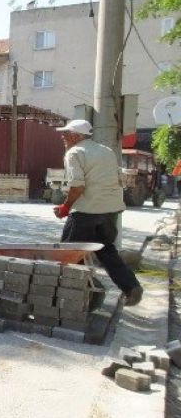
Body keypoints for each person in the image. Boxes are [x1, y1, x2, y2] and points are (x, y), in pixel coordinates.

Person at [53, 119, 143, 306]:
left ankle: (83, 294)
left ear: (76, 136)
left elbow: (77, 187)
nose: (62, 136)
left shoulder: (74, 152)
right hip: (110, 210)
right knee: (106, 250)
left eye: (66, 133)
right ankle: (131, 287)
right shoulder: (106, 151)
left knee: (70, 253)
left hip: (86, 211)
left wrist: (65, 208)